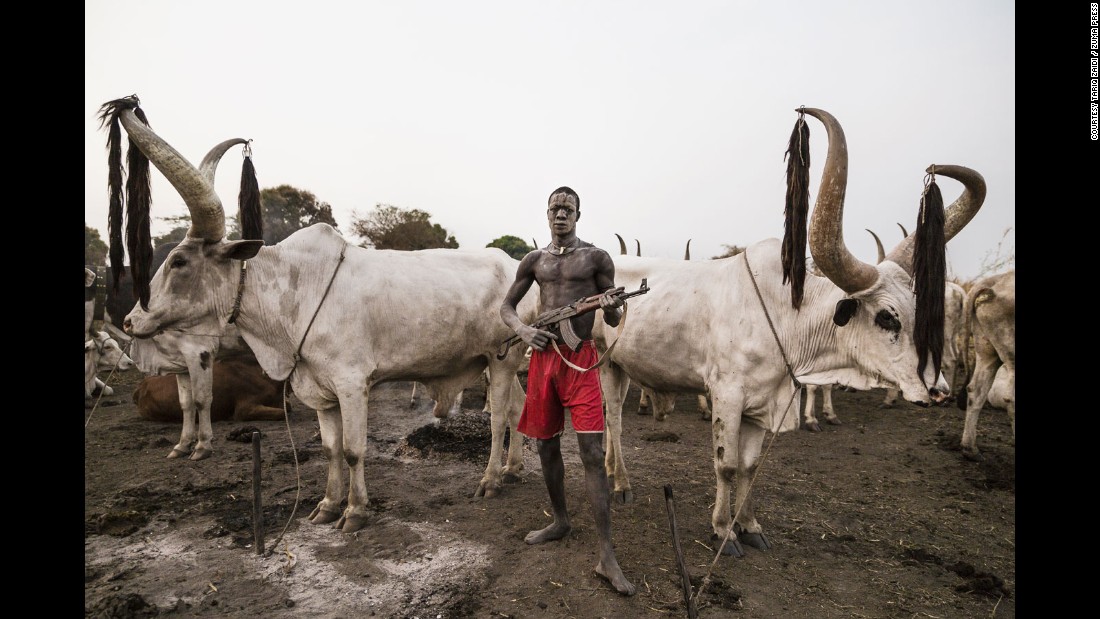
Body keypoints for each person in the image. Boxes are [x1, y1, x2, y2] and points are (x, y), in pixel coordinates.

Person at [499, 186, 636, 597]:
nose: (561, 215)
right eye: (555, 208)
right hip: (543, 362)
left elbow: (612, 316)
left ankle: (607, 556)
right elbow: (507, 307)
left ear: (579, 214)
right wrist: (524, 330)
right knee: (544, 446)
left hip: (581, 363)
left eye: (568, 209)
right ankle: (560, 520)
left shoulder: (596, 258)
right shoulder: (533, 260)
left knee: (593, 453)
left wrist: (610, 305)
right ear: (547, 214)